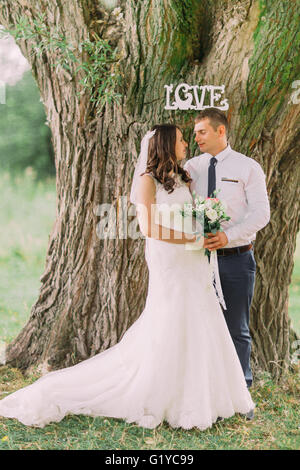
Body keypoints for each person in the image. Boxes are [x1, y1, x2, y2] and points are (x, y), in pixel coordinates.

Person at [0, 124, 254, 430]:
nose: (186, 143)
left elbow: (190, 214)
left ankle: (206, 395)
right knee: (172, 317)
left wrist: (206, 223)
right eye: (180, 139)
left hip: (193, 261)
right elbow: (149, 229)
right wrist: (194, 239)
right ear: (164, 144)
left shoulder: (183, 177)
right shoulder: (147, 181)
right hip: (170, 260)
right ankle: (164, 394)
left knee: (201, 317)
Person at [184, 109, 270, 419]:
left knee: (237, 328)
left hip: (236, 259)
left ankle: (241, 395)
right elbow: (181, 208)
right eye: (194, 133)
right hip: (196, 261)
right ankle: (208, 393)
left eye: (202, 132)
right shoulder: (190, 169)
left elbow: (261, 214)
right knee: (201, 326)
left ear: (221, 132)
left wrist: (228, 235)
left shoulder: (248, 168)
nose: (196, 138)